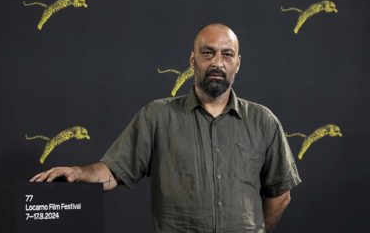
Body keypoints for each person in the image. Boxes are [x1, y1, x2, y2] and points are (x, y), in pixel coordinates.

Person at [31, 23, 301, 233]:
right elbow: (114, 171)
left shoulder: (263, 121)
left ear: (237, 63)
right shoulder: (157, 116)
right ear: (192, 60)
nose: (217, 62)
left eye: (227, 54)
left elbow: (280, 195)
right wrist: (78, 174)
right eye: (208, 53)